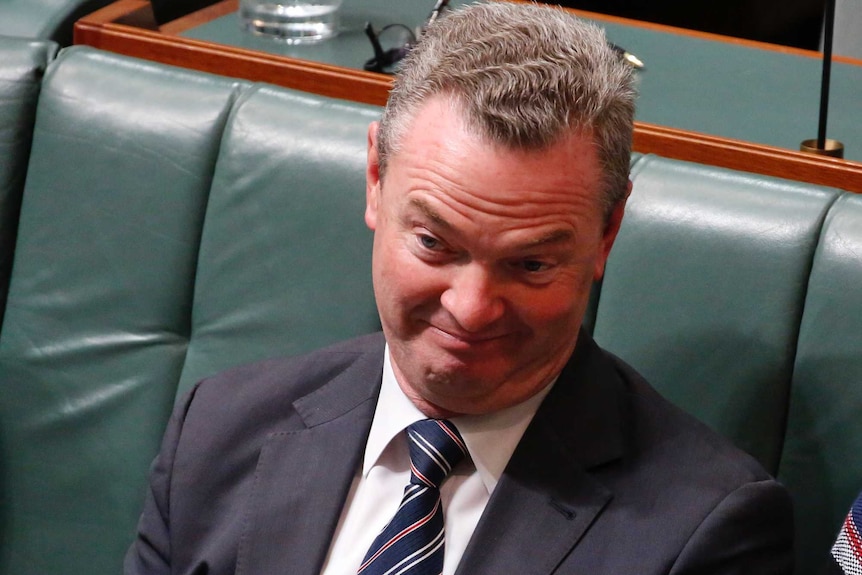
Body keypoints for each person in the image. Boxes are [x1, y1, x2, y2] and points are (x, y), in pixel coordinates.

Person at [124, 2, 793, 574]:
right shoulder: (217, 433)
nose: (471, 310)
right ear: (375, 179)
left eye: (530, 265)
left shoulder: (706, 532)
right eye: (435, 245)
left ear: (607, 231)